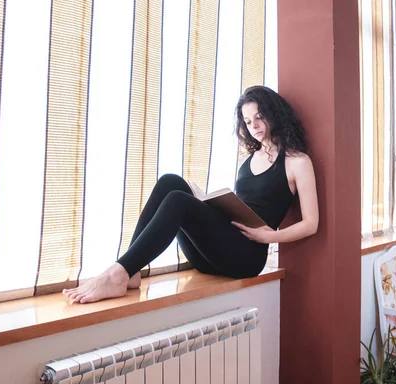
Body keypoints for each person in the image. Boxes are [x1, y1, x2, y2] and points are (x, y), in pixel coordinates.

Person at [63, 86, 319, 303]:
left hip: (247, 257)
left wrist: (270, 236)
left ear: (274, 113)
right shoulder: (249, 160)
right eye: (248, 121)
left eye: (259, 117)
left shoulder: (297, 162)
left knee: (178, 201)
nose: (254, 126)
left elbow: (311, 223)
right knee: (170, 182)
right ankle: (131, 271)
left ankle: (116, 275)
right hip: (217, 252)